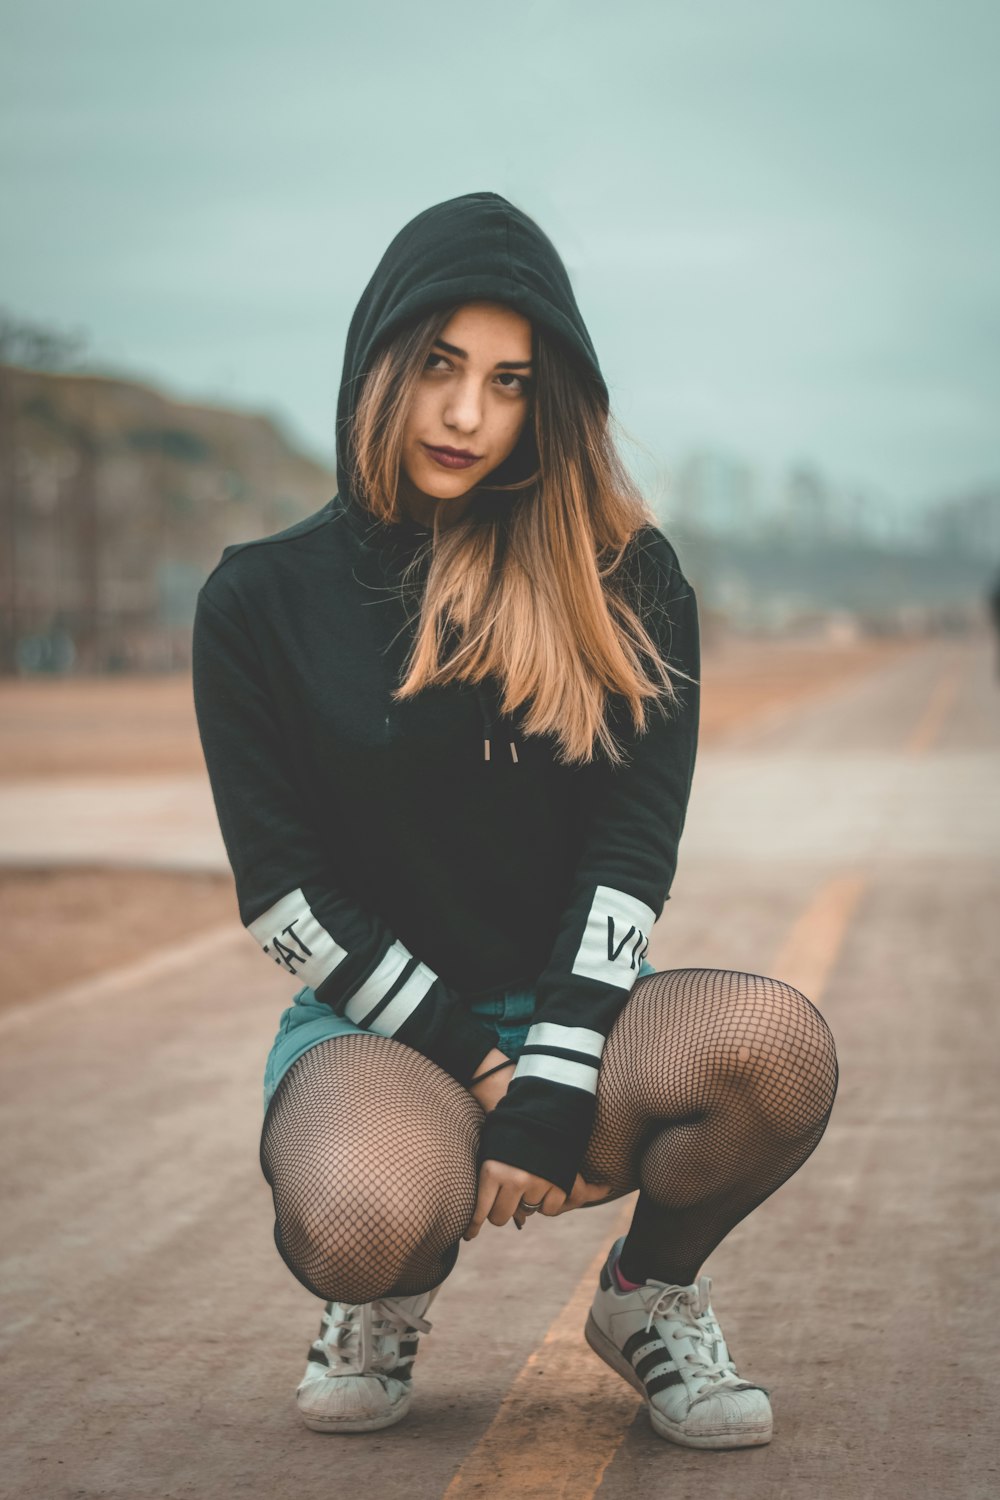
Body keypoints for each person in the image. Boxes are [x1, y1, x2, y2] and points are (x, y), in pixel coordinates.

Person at [191, 191, 839, 1451]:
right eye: (438, 365)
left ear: (550, 401)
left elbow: (628, 856)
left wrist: (553, 1064)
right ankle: (383, 1295)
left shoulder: (627, 578)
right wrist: (484, 1068)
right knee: (359, 1220)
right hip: (379, 1039)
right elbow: (282, 897)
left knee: (776, 1049)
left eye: (508, 380)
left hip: (577, 1019)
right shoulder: (258, 599)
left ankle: (646, 1295)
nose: (466, 414)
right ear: (377, 360)